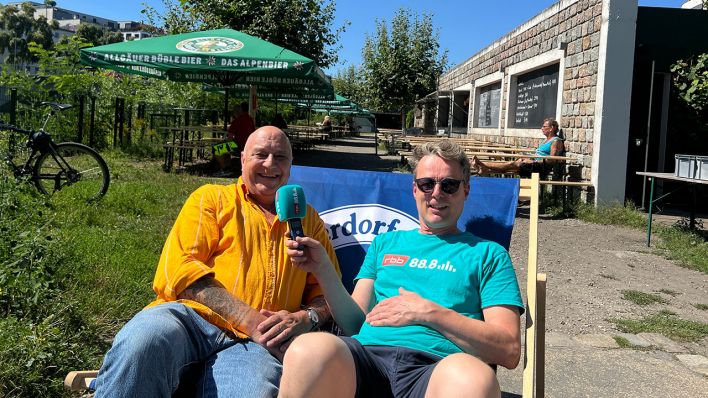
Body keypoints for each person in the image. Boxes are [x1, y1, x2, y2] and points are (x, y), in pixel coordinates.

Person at [93, 126, 341, 397]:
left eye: (280, 157)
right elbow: (180, 269)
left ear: (291, 165)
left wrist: (305, 318)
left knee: (250, 392)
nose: (270, 164)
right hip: (190, 320)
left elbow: (330, 294)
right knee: (143, 341)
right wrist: (250, 320)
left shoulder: (307, 220)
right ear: (243, 158)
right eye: (261, 154)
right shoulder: (211, 199)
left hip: (257, 345)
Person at [278, 139, 524, 398]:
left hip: (438, 370)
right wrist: (322, 269)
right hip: (368, 360)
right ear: (415, 189)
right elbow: (354, 323)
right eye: (427, 184)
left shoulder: (488, 254)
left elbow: (508, 350)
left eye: (449, 185)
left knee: (474, 379)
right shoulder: (385, 243)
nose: (437, 193)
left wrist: (429, 313)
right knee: (307, 350)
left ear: (466, 190)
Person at [472, 117, 565, 177]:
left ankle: (482, 165)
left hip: (541, 168)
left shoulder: (556, 141)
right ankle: (484, 167)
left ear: (552, 128)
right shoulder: (545, 140)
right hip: (534, 164)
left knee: (512, 164)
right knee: (510, 167)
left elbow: (552, 160)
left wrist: (533, 161)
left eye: (544, 126)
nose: (542, 128)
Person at [213, 102, 256, 176]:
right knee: (226, 148)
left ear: (239, 110)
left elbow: (230, 138)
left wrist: (224, 142)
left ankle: (225, 169)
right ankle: (228, 168)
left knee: (216, 149)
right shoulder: (250, 120)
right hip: (249, 146)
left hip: (238, 146)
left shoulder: (236, 121)